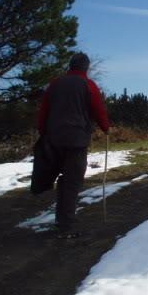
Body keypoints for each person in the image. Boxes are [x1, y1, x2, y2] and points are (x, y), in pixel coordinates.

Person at [36, 53, 110, 238]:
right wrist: (106, 128)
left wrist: (43, 132)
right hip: (76, 139)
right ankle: (66, 226)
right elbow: (98, 108)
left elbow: (44, 110)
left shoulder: (55, 84)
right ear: (86, 67)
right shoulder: (88, 85)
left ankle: (61, 219)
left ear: (70, 66)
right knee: (72, 181)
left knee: (58, 177)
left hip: (54, 138)